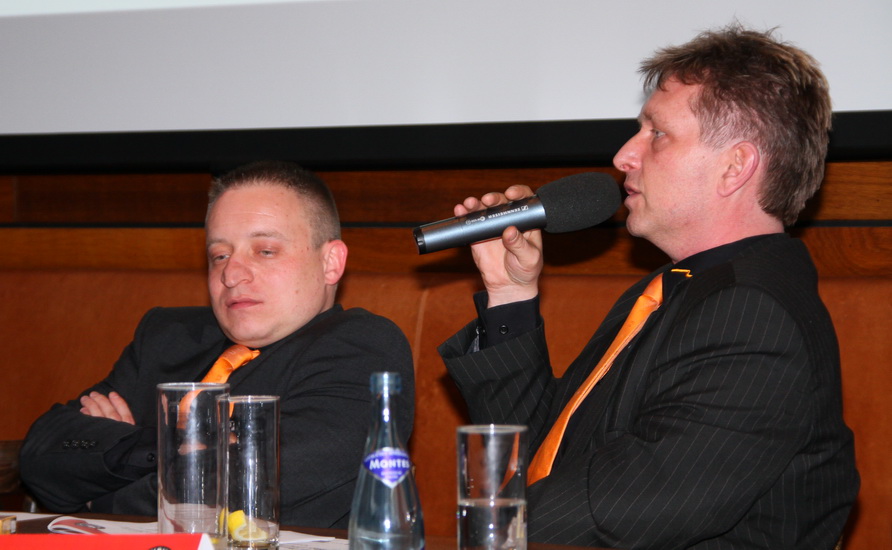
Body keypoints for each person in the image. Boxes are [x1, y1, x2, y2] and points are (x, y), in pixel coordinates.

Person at [439, 24, 858, 549]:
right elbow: (543, 458)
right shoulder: (678, 288)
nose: (623, 157)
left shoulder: (753, 316)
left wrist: (477, 531)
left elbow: (618, 509)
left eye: (656, 134)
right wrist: (509, 295)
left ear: (735, 167)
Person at [19, 160, 415, 529]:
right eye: (219, 254)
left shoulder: (362, 346)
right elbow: (40, 455)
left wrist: (97, 498)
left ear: (330, 263)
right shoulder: (167, 336)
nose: (231, 274)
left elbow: (253, 484)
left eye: (265, 251)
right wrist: (166, 446)